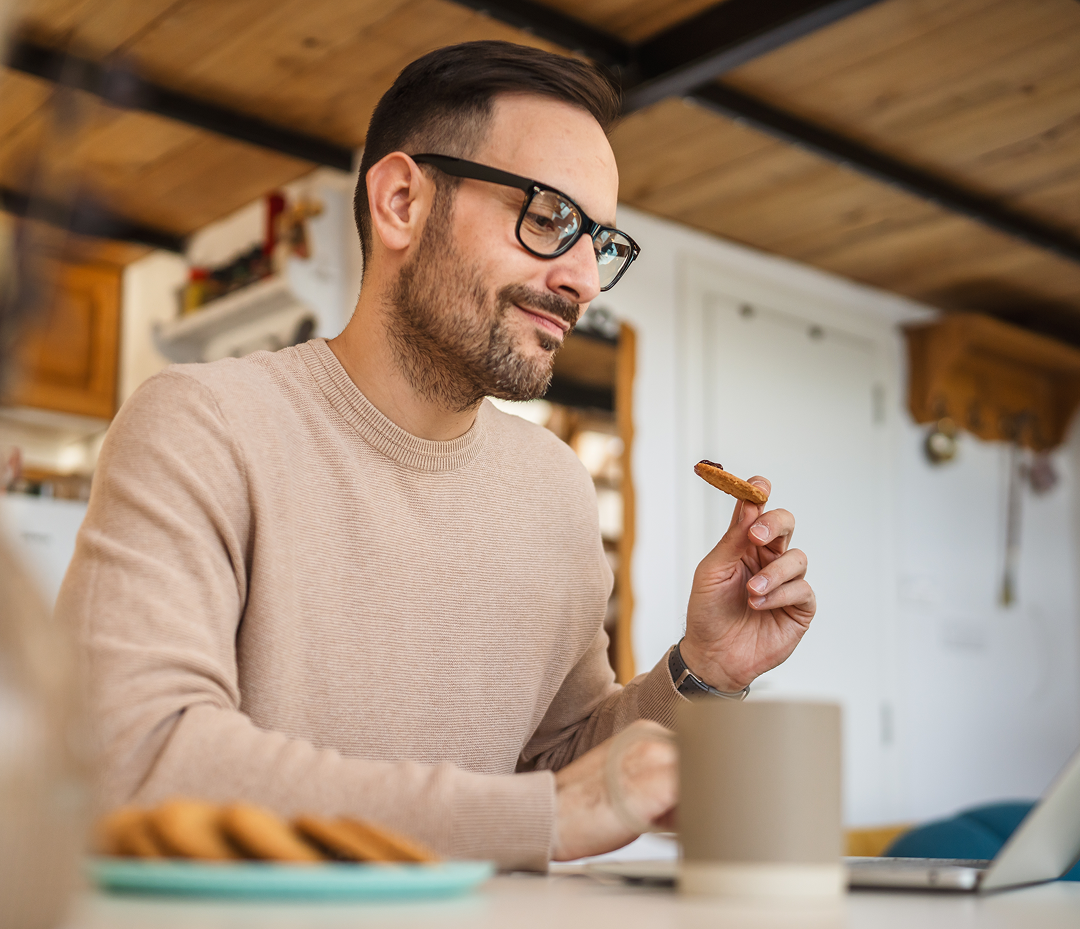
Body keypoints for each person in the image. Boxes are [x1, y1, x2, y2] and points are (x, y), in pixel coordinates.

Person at [57, 41, 816, 870]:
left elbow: (553, 767)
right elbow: (131, 758)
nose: (585, 280)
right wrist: (539, 815)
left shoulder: (555, 488)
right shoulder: (202, 426)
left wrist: (701, 674)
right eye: (552, 218)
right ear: (400, 203)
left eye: (600, 240)